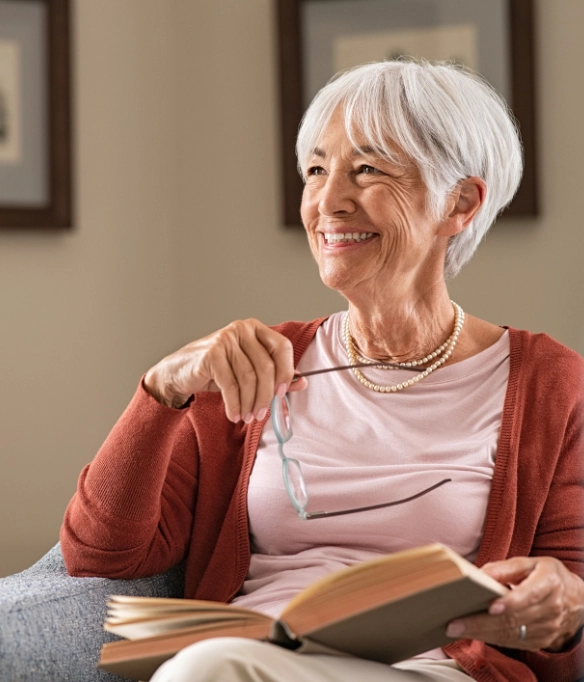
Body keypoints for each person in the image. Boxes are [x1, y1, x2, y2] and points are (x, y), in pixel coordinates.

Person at [61, 60, 584, 682]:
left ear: (460, 202)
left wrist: (564, 610)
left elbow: (562, 627)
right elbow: (102, 555)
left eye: (366, 169)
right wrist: (161, 389)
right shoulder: (252, 366)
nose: (328, 202)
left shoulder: (550, 385)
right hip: (252, 655)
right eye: (316, 169)